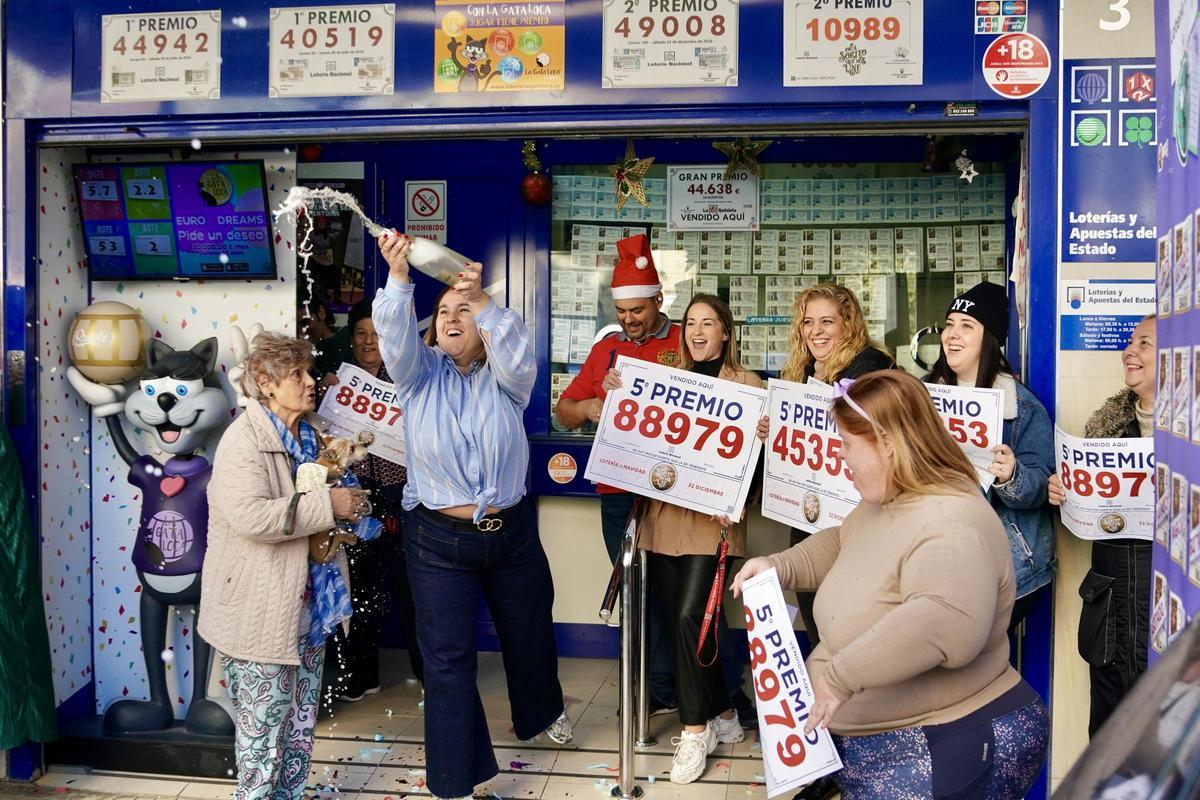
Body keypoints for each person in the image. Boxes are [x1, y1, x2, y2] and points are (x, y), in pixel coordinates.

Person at [731, 370, 1049, 799]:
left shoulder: (951, 519)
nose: (839, 455)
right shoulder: (890, 499)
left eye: (847, 444)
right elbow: (846, 541)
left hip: (944, 746)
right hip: (889, 749)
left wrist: (841, 677)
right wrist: (778, 566)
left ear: (888, 446)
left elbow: (944, 623)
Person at [373, 232, 571, 800]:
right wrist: (400, 278)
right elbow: (394, 340)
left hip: (510, 534)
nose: (453, 317)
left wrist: (480, 297)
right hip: (436, 539)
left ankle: (541, 714)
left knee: (529, 630)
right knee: (448, 659)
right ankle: (460, 779)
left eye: (464, 311)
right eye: (444, 311)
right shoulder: (416, 378)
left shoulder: (509, 383)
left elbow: (516, 352)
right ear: (431, 327)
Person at [554, 234, 755, 727]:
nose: (630, 320)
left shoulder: (684, 343)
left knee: (692, 605)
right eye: (623, 312)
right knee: (641, 601)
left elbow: (725, 404)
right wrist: (593, 405)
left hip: (680, 500)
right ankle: (657, 690)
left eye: (639, 311)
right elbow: (564, 413)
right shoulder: (606, 350)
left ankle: (721, 698)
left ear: (659, 302)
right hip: (622, 495)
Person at [200, 331, 369, 800]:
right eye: (298, 374)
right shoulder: (243, 440)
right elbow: (253, 518)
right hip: (260, 614)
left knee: (297, 731)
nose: (310, 382)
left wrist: (353, 509)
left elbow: (338, 502)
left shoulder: (314, 432)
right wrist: (328, 504)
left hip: (309, 612)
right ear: (265, 383)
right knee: (261, 741)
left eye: (309, 371)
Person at [613, 295, 757, 783]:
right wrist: (618, 396)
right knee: (689, 627)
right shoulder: (665, 380)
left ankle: (695, 732)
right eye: (691, 322)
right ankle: (723, 713)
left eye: (708, 323)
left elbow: (760, 475)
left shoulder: (748, 387)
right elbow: (633, 439)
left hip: (712, 527)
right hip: (663, 521)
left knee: (689, 618)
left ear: (725, 333)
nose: (698, 331)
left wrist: (760, 443)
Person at [1048, 315, 1156, 735]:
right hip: (1110, 611)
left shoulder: (1190, 434)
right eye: (1130, 342)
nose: (1130, 351)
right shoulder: (1103, 428)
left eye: (1144, 343)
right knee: (1109, 739)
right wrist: (1063, 495)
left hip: (1166, 609)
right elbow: (1089, 519)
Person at [926, 281, 1055, 628]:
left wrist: (1012, 475)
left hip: (1003, 567)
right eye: (949, 324)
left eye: (967, 326)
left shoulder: (1022, 408)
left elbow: (1043, 486)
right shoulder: (922, 396)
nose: (953, 334)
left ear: (990, 339)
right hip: (933, 558)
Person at [777, 283, 894, 652]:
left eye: (827, 321)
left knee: (847, 623)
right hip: (809, 511)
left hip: (854, 514)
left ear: (849, 324)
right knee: (815, 613)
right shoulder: (804, 371)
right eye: (808, 322)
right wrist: (775, 428)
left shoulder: (869, 365)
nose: (816, 331)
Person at [319, 299, 424, 703]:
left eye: (375, 335)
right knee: (359, 587)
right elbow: (322, 441)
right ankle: (362, 675)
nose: (368, 341)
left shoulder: (406, 378)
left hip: (402, 497)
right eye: (360, 333)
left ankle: (424, 669)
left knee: (413, 586)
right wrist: (326, 398)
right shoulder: (337, 382)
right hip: (354, 496)